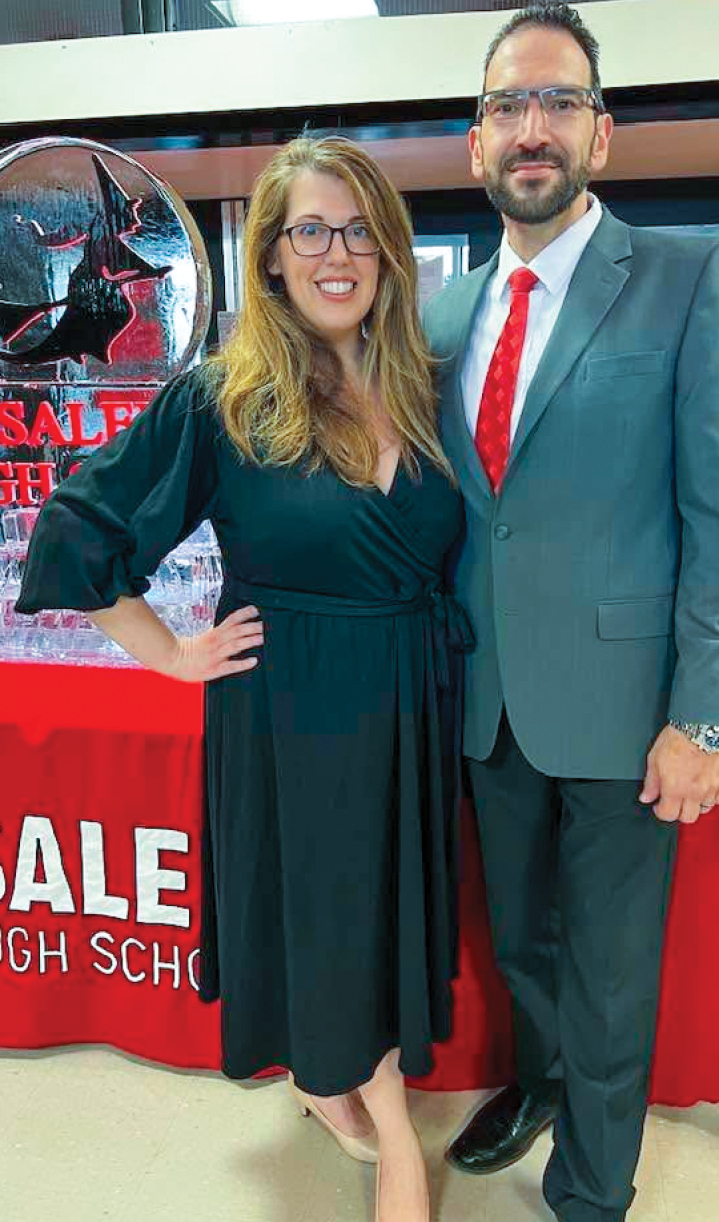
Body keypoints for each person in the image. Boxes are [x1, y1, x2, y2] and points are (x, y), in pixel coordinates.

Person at [17, 135, 473, 1222]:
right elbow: (79, 529)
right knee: (328, 911)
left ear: (390, 253)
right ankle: (394, 1134)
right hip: (293, 705)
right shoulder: (227, 396)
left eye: (360, 230)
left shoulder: (419, 384)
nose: (337, 252)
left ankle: (334, 1081)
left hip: (410, 695)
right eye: (311, 229)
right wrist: (171, 654)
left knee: (382, 906)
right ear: (270, 255)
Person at [423, 5, 719, 1220]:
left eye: (558, 102)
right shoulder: (447, 315)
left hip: (629, 715)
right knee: (520, 941)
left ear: (600, 135)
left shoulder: (690, 277)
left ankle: (589, 1190)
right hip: (489, 703)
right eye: (508, 106)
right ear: (474, 145)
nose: (532, 128)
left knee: (614, 974)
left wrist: (706, 718)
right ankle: (539, 1083)